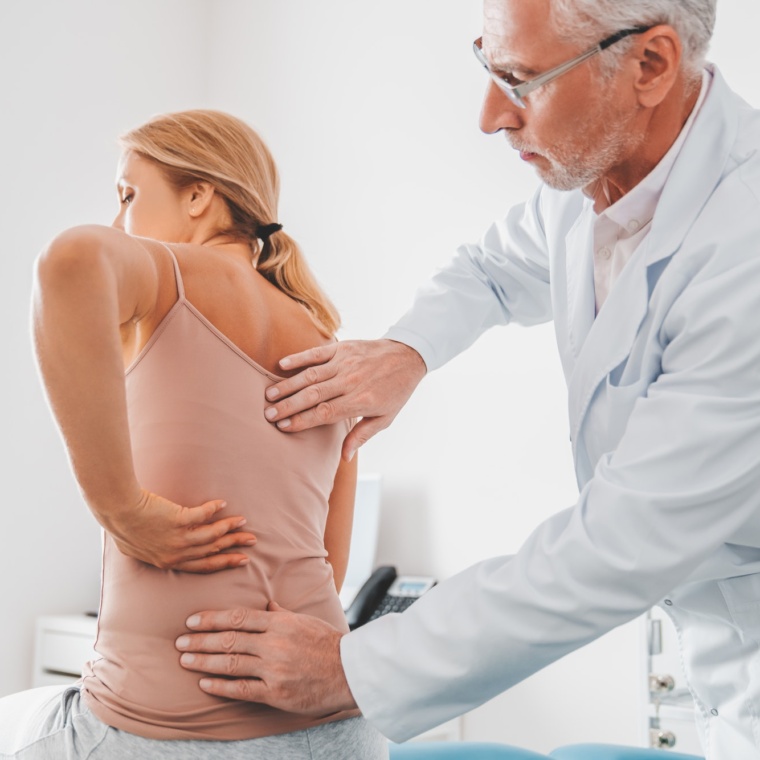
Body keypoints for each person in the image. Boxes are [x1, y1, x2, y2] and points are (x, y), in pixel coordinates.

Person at [173, 1, 760, 758]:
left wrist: (355, 668)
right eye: (487, 64)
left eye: (521, 79)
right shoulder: (600, 186)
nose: (490, 116)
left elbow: (624, 541)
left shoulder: (744, 248)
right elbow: (490, 270)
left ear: (650, 65)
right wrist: (405, 351)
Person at [1, 110, 387, 759]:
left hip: (155, 736)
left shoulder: (174, 278)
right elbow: (329, 559)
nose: (121, 217)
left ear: (199, 196)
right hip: (337, 735)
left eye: (128, 194)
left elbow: (67, 260)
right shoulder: (329, 349)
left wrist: (121, 510)